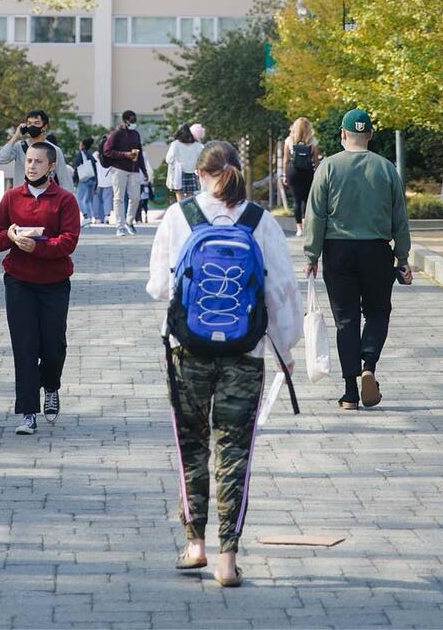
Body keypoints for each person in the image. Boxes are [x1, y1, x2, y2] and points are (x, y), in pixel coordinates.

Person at [147, 141, 302, 588]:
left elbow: (159, 286)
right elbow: (280, 292)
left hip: (187, 350)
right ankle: (228, 559)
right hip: (245, 352)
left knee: (190, 446)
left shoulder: (180, 217)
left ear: (199, 173)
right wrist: (286, 350)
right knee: (235, 452)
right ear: (237, 169)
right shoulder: (260, 221)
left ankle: (194, 544)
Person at [303, 108, 412, 411]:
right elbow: (400, 217)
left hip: (338, 250)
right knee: (378, 312)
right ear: (371, 135)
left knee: (346, 319)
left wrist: (311, 254)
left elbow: (315, 215)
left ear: (342, 134)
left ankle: (350, 392)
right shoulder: (387, 168)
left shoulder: (328, 167)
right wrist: (402, 257)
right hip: (377, 250)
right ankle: (369, 365)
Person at [0, 141, 81, 434]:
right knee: (25, 347)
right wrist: (12, 238)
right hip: (19, 282)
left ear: (51, 167)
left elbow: (69, 240)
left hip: (54, 282)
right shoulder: (12, 197)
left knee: (53, 346)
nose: (31, 166)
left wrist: (37, 246)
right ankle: (28, 411)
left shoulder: (64, 200)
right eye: (29, 160)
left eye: (38, 162)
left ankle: (51, 386)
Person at [0, 108, 75, 192]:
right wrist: (15, 137)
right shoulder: (19, 147)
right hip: (22, 197)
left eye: (36, 123)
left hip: (45, 198)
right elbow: (0, 159)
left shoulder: (54, 150)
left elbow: (65, 180)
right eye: (29, 123)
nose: (32, 126)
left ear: (44, 126)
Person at [101, 110, 149, 236]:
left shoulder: (136, 134)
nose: (134, 123)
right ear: (126, 120)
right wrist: (124, 154)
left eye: (135, 120)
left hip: (134, 169)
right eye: (132, 120)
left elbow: (140, 154)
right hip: (119, 169)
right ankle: (120, 226)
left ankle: (129, 221)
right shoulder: (116, 134)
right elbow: (107, 151)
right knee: (119, 198)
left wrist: (144, 171)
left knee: (135, 197)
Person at [282, 117, 321, 237]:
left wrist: (285, 175)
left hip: (293, 172)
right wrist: (317, 173)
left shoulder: (289, 140)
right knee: (307, 199)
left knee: (296, 200)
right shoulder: (313, 141)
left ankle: (299, 228)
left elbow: (286, 160)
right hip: (307, 171)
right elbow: (315, 160)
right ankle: (305, 224)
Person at [165, 124, 204, 203]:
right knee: (190, 197)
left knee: (179, 195)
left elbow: (169, 159)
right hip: (193, 172)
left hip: (179, 173)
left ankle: (181, 212)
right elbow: (202, 158)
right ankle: (188, 213)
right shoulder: (197, 145)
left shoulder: (175, 144)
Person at [74, 136, 97, 223]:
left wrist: (75, 180)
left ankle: (86, 216)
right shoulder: (90, 154)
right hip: (92, 179)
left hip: (84, 179)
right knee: (88, 200)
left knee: (79, 199)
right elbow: (95, 169)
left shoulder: (81, 154)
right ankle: (90, 217)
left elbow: (77, 168)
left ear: (83, 145)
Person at [93, 149, 114, 224]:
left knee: (97, 200)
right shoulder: (110, 153)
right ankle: (106, 217)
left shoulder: (95, 155)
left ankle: (98, 218)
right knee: (107, 199)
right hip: (108, 180)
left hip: (98, 181)